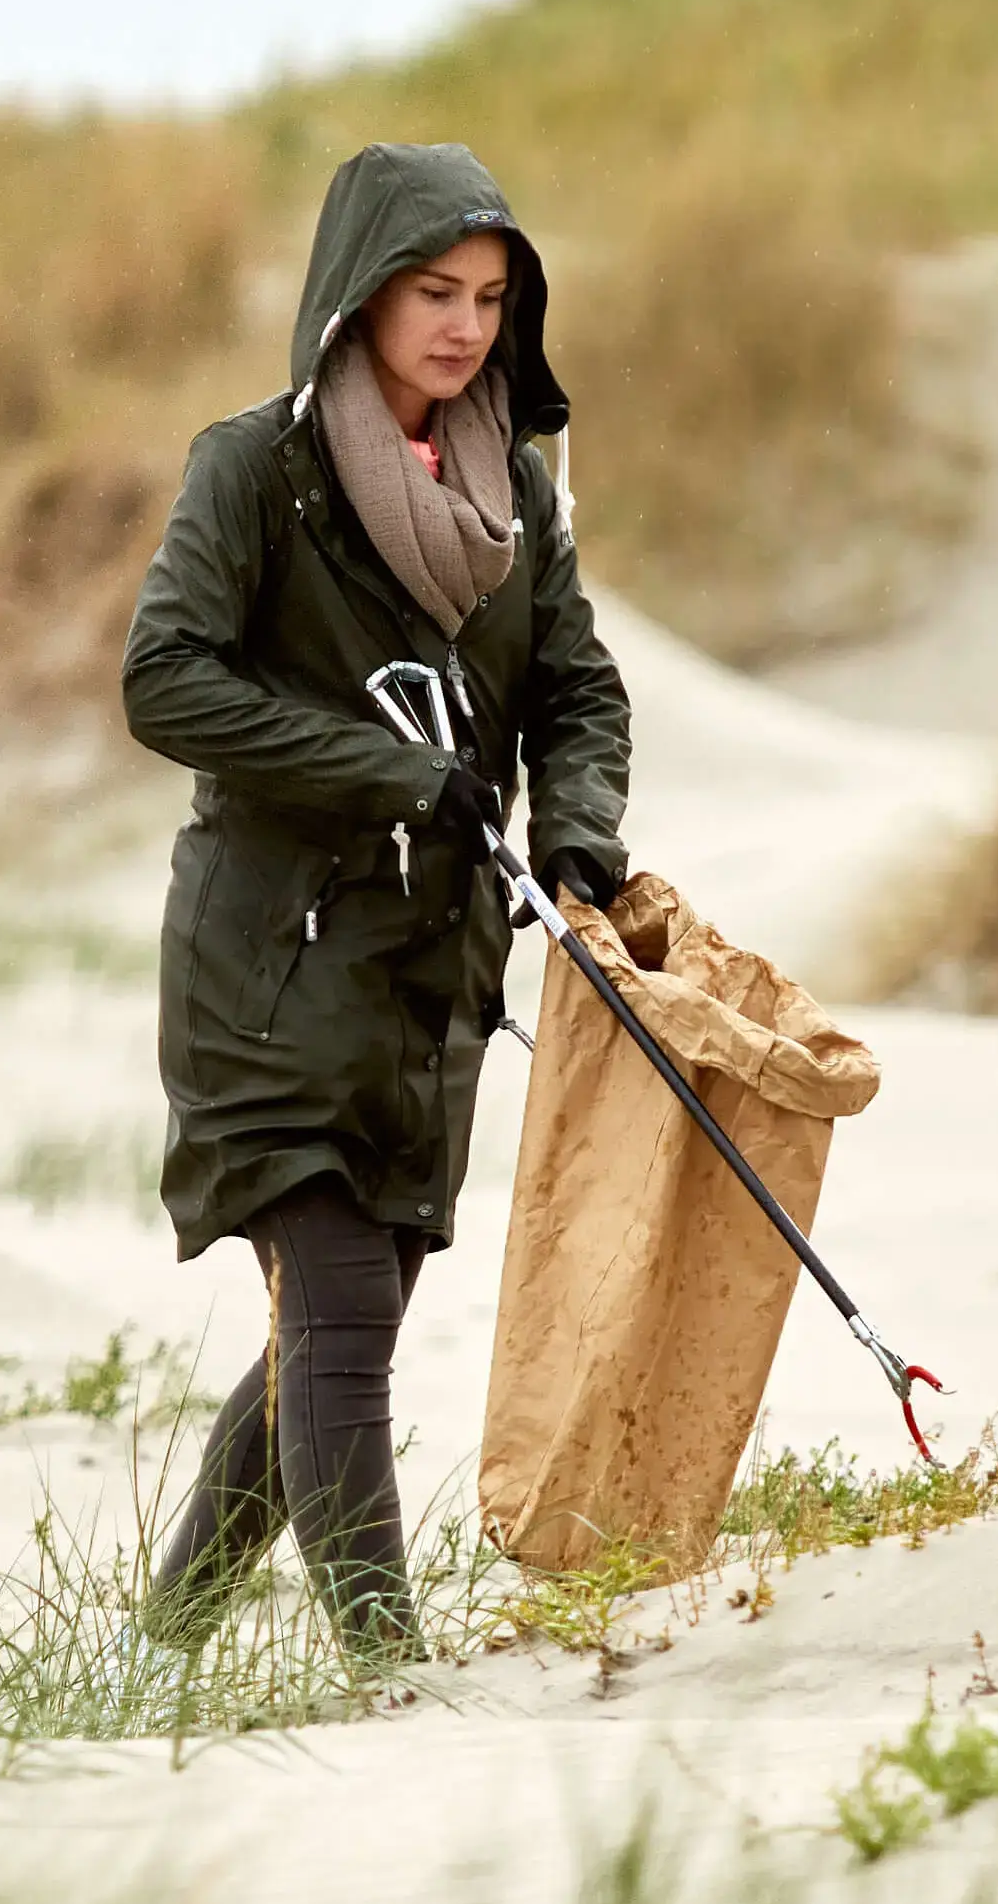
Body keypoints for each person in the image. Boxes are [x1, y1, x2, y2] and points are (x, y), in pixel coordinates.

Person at [119, 142, 633, 1669]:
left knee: (323, 1337)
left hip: (428, 982)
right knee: (336, 1310)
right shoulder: (253, 469)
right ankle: (387, 1668)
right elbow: (163, 679)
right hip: (266, 968)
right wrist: (388, 772)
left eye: (488, 296)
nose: (464, 325)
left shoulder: (515, 494)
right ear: (360, 292)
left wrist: (580, 835)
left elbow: (575, 688)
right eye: (432, 290)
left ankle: (162, 1643)